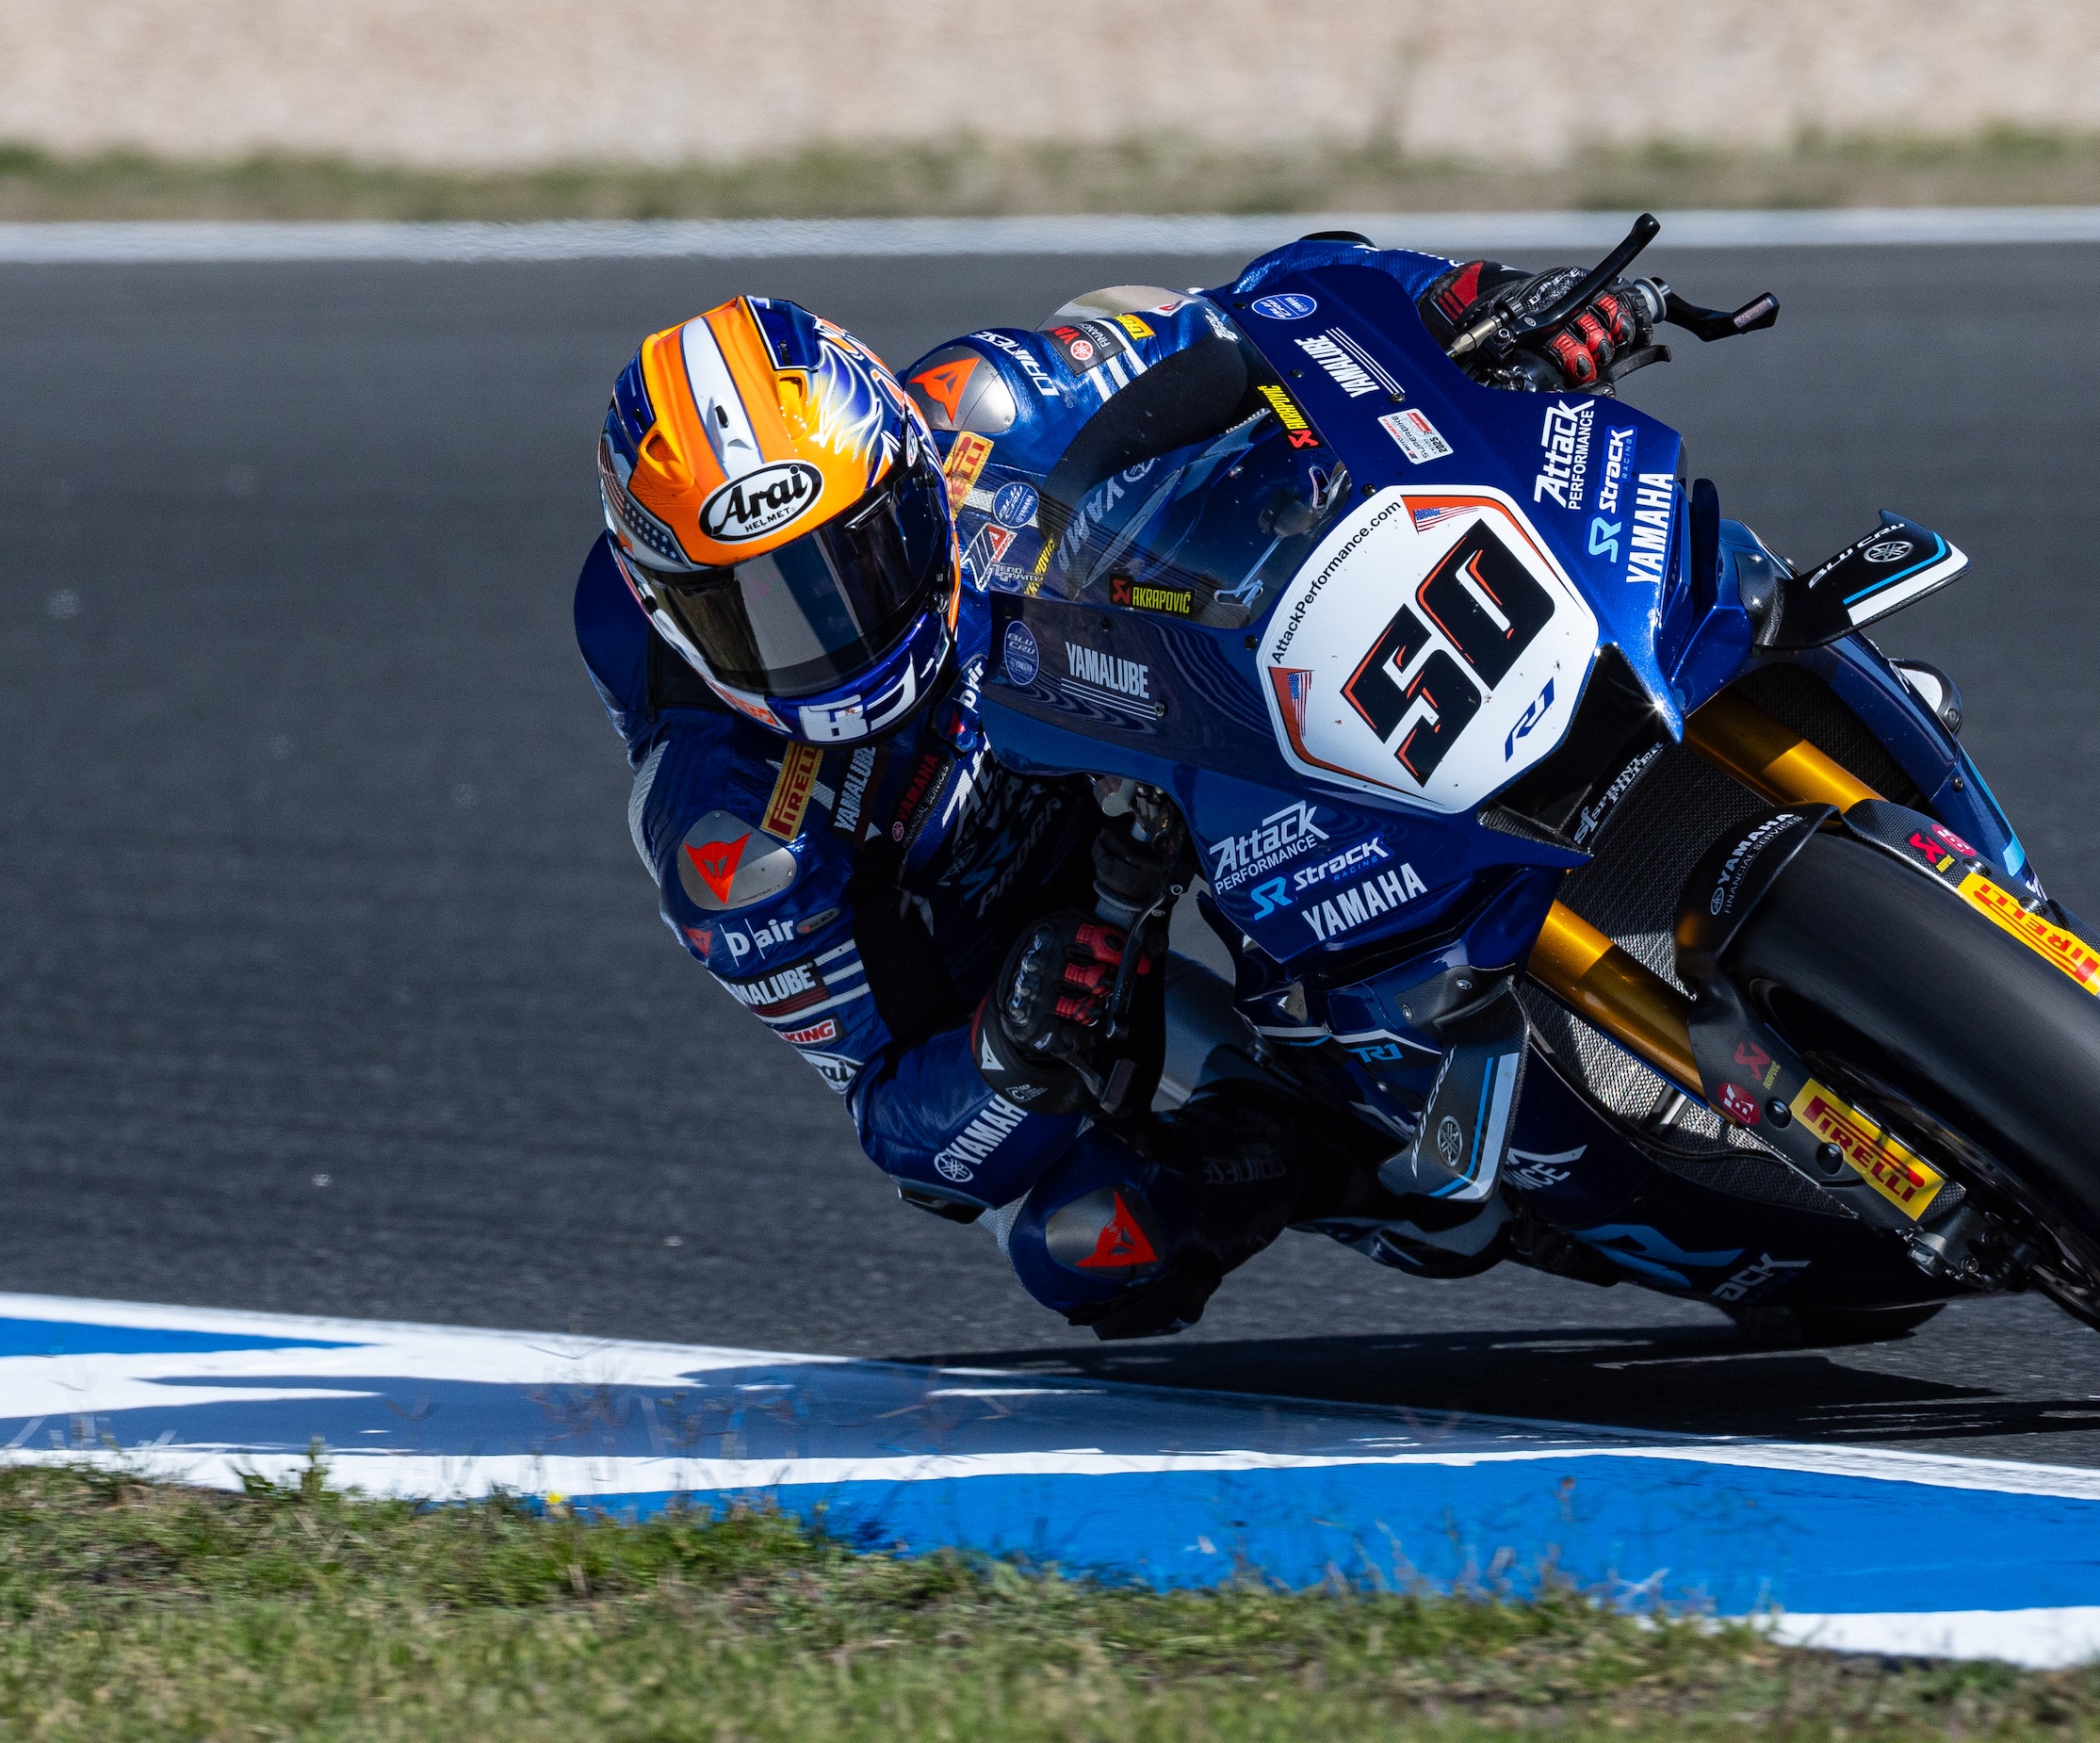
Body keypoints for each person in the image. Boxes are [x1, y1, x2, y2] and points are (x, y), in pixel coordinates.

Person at [575, 241, 1659, 1336]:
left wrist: (1472, 301)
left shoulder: (979, 408)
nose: (832, 627)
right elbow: (905, 1132)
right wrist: (1004, 1047)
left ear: (908, 466)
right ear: (665, 610)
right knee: (1088, 1238)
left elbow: (1259, 313)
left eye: (859, 556)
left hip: (1177, 682)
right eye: (754, 612)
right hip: (1056, 928)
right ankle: (1369, 1170)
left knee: (1128, 315)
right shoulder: (733, 842)